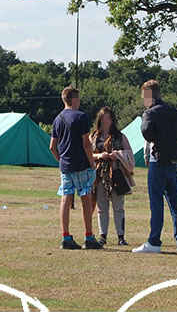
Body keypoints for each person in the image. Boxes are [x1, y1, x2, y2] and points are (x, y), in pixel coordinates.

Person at [133, 80, 177, 254]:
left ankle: (154, 241)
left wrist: (160, 136)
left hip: (157, 160)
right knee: (175, 203)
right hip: (173, 162)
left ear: (149, 95)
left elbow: (146, 132)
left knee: (156, 203)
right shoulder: (174, 112)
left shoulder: (150, 113)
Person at [49, 86, 101, 250]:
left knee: (65, 199)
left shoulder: (57, 119)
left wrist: (61, 160)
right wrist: (92, 162)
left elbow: (52, 146)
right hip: (81, 164)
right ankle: (89, 236)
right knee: (85, 198)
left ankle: (66, 236)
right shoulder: (81, 116)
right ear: (74, 99)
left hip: (65, 166)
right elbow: (86, 143)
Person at [90, 106, 134, 246]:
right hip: (99, 175)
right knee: (101, 207)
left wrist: (118, 155)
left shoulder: (120, 137)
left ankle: (121, 236)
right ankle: (102, 236)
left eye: (108, 118)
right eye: (103, 118)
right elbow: (87, 155)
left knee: (118, 206)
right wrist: (99, 155)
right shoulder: (94, 137)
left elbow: (129, 155)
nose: (106, 121)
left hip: (117, 174)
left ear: (112, 120)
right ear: (99, 119)